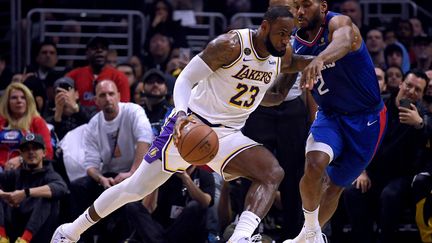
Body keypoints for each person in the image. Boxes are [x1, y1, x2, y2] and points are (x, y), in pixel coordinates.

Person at [51, 6, 307, 243]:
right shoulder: (231, 45)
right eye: (281, 33)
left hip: (227, 135)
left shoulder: (279, 56)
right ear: (264, 27)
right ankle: (70, 231)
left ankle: (239, 238)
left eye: (290, 35)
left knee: (272, 172)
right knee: (134, 189)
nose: (286, 40)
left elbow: (279, 86)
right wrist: (182, 115)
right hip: (190, 127)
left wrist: (322, 61)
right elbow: (184, 79)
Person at [283, 0, 387, 242]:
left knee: (336, 186)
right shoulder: (295, 44)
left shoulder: (339, 22)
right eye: (296, 6)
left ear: (322, 6)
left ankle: (307, 238)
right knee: (314, 164)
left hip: (367, 119)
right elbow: (279, 89)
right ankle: (311, 232)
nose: (300, 11)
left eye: (306, 5)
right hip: (330, 116)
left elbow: (344, 39)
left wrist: (319, 59)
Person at [344, 69, 429, 243]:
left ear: (422, 95)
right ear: (400, 84)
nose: (411, 92)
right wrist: (362, 170)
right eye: (409, 85)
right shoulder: (377, 107)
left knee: (390, 195)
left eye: (418, 90)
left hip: (402, 178)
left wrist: (419, 124)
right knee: (353, 191)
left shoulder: (423, 115)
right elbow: (359, 138)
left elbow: (428, 131)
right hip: (372, 173)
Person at [67, 80, 153, 242]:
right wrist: (101, 179)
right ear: (96, 100)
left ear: (119, 96)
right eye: (102, 95)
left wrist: (132, 172)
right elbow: (90, 164)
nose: (108, 98)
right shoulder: (94, 123)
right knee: (78, 187)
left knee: (129, 201)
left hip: (136, 171)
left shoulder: (133, 111)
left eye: (111, 94)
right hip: (108, 176)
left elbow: (145, 140)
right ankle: (81, 238)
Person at [0, 133, 68, 243]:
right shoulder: (15, 174)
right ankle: (1, 237)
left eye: (35, 148)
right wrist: (2, 194)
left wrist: (25, 193)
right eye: (26, 149)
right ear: (21, 155)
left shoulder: (50, 173)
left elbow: (61, 188)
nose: (31, 152)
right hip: (14, 231)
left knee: (48, 198)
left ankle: (25, 239)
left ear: (44, 153)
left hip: (39, 234)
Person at [125, 165, 215, 243]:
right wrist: (156, 180)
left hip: (188, 233)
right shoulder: (166, 175)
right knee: (133, 206)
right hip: (163, 229)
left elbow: (206, 202)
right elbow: (148, 208)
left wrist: (185, 178)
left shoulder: (204, 174)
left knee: (195, 206)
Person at [65, 36, 130, 109]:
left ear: (108, 53)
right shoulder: (74, 75)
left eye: (103, 48)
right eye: (94, 48)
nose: (99, 50)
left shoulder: (119, 77)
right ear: (87, 53)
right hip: (80, 118)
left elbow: (124, 107)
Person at [0, 83, 53, 170]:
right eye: (14, 98)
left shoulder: (37, 122)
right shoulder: (1, 122)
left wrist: (21, 159)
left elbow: (48, 152)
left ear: (28, 101)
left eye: (23, 97)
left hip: (27, 169)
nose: (19, 101)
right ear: (7, 102)